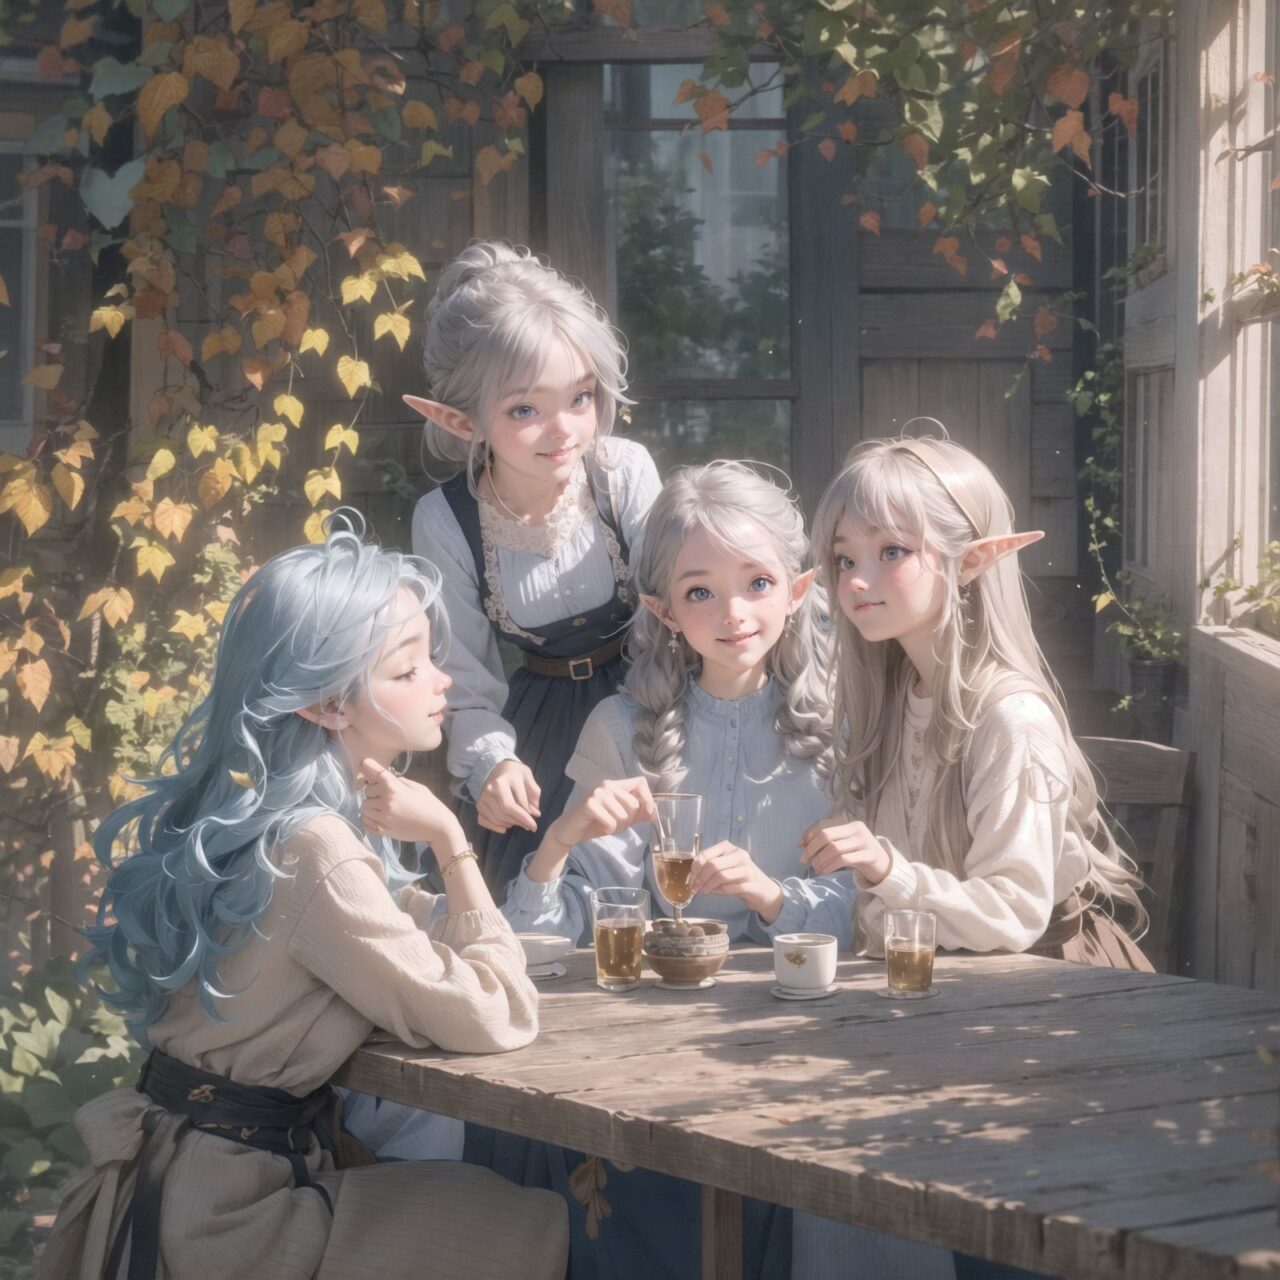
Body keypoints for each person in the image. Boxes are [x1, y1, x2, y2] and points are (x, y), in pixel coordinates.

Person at [39, 515, 568, 1280]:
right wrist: (452, 840)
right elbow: (498, 1014)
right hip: (232, 1218)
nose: (441, 680)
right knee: (538, 1222)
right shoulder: (316, 847)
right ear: (326, 706)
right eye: (406, 668)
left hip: (183, 1175)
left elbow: (404, 930)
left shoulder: (265, 821)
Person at [791, 433, 1152, 1280]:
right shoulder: (891, 700)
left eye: (890, 553)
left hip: (1053, 1014)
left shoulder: (1010, 720)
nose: (856, 581)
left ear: (971, 562)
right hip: (944, 1007)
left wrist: (883, 869)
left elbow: (1017, 913)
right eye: (843, 558)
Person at [497, 461, 846, 1280]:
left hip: (805, 1035)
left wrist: (770, 894)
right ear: (661, 611)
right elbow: (569, 924)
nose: (733, 614)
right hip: (655, 1044)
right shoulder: (621, 728)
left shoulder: (844, 727)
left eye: (757, 583)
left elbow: (866, 906)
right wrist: (554, 845)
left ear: (796, 592)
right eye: (700, 593)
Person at [406, 241, 661, 899]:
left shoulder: (621, 474)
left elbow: (676, 615)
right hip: (537, 736)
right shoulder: (447, 520)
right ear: (462, 421)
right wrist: (492, 764)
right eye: (525, 409)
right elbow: (463, 675)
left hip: (653, 707)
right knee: (538, 903)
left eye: (580, 398)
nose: (563, 431)